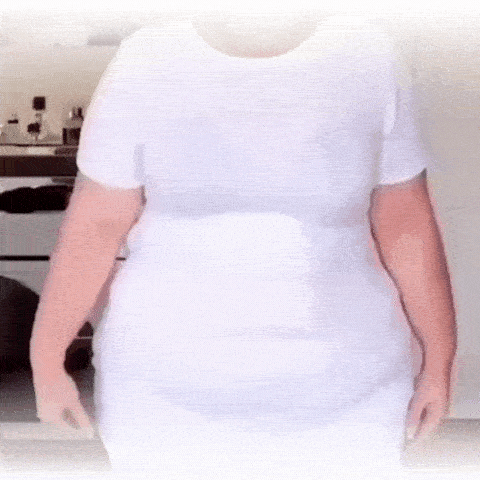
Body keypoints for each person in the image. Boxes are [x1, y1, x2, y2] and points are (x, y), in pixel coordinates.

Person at [29, 8, 457, 479]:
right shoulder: (147, 60)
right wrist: (46, 358)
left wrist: (439, 362)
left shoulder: (369, 56)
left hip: (349, 386)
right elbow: (94, 228)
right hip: (164, 389)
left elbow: (407, 225)